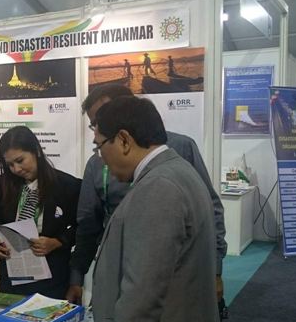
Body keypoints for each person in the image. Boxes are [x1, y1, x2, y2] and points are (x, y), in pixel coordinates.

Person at [90, 96, 224, 322]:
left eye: (100, 146)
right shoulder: (178, 171)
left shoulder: (158, 188)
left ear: (124, 140)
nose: (100, 157)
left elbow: (141, 299)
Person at [66, 84, 227, 309]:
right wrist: (77, 277)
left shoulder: (178, 150)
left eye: (102, 119)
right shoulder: (97, 163)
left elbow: (210, 210)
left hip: (174, 274)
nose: (98, 130)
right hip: (119, 268)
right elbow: (88, 224)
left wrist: (215, 270)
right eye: (94, 124)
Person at [0, 126, 80, 298]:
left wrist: (57, 242)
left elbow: (81, 228)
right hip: (12, 276)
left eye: (20, 160)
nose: (16, 169)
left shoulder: (67, 185)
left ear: (36, 150)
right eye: (10, 164)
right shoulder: (4, 183)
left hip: (51, 278)